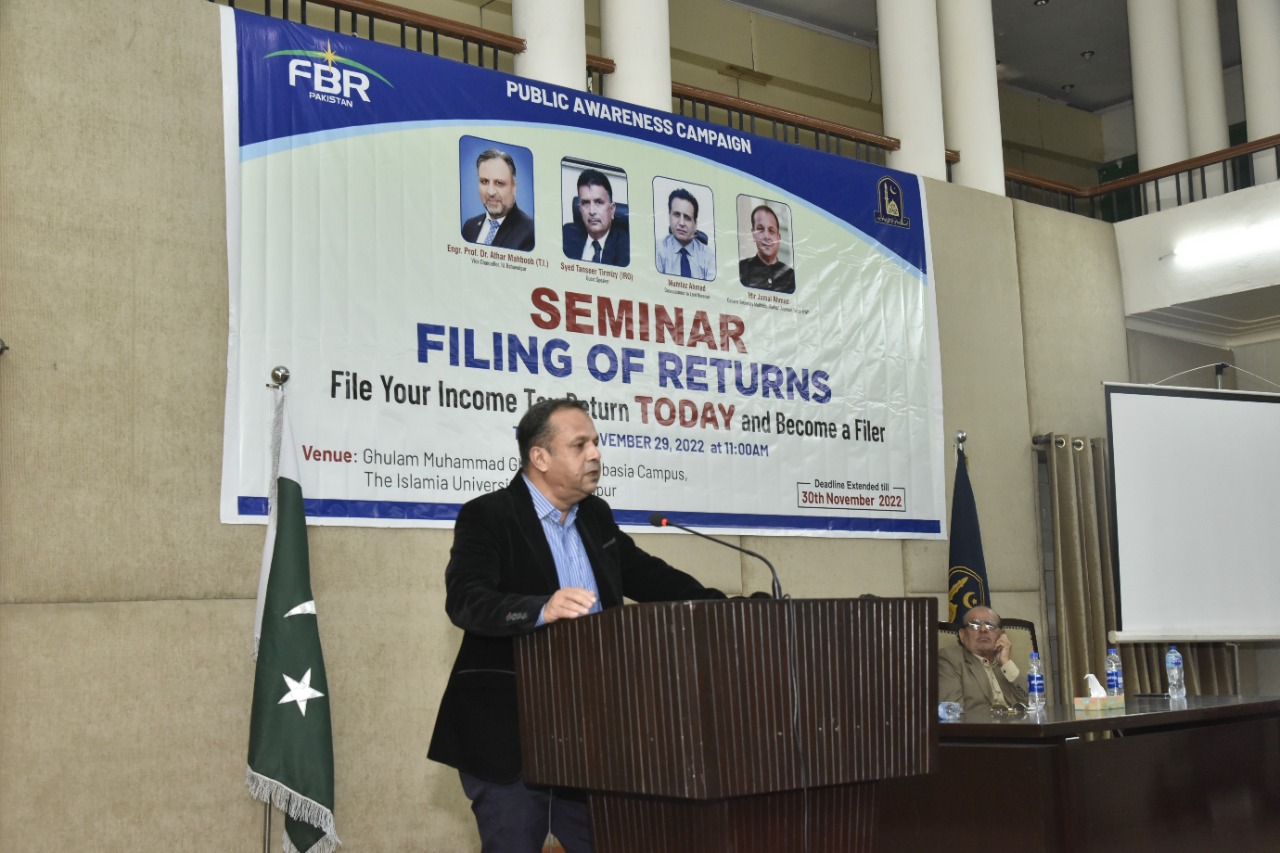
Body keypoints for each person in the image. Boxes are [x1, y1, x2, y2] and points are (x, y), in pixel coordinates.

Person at [428, 398, 727, 852]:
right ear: (540, 457)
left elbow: (649, 576)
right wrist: (540, 608)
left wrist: (721, 607)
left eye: (596, 443)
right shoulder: (489, 515)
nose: (595, 454)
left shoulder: (596, 516)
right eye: (580, 444)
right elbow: (466, 600)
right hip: (511, 735)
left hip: (592, 737)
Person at [938, 606, 1029, 713]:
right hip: (978, 724)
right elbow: (952, 712)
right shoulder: (950, 658)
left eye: (990, 625)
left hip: (1017, 722)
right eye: (974, 625)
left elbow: (1031, 701)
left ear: (1001, 635)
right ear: (962, 635)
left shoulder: (1004, 664)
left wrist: (1006, 662)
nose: (983, 629)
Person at [461, 148, 536, 251]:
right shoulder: (469, 226)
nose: (491, 192)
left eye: (499, 183)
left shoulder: (531, 232)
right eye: (484, 181)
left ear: (514, 188)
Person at [562, 169, 629, 266]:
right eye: (585, 203)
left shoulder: (626, 247)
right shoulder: (567, 234)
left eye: (599, 202)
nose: (592, 211)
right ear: (580, 209)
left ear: (612, 209)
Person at [655, 188, 714, 280]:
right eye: (677, 215)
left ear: (695, 224)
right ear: (669, 217)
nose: (681, 223)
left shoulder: (708, 256)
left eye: (687, 218)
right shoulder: (658, 249)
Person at [738, 204, 795, 293]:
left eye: (771, 231)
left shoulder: (791, 276)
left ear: (779, 238)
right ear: (753, 235)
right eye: (760, 229)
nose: (766, 236)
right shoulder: (741, 269)